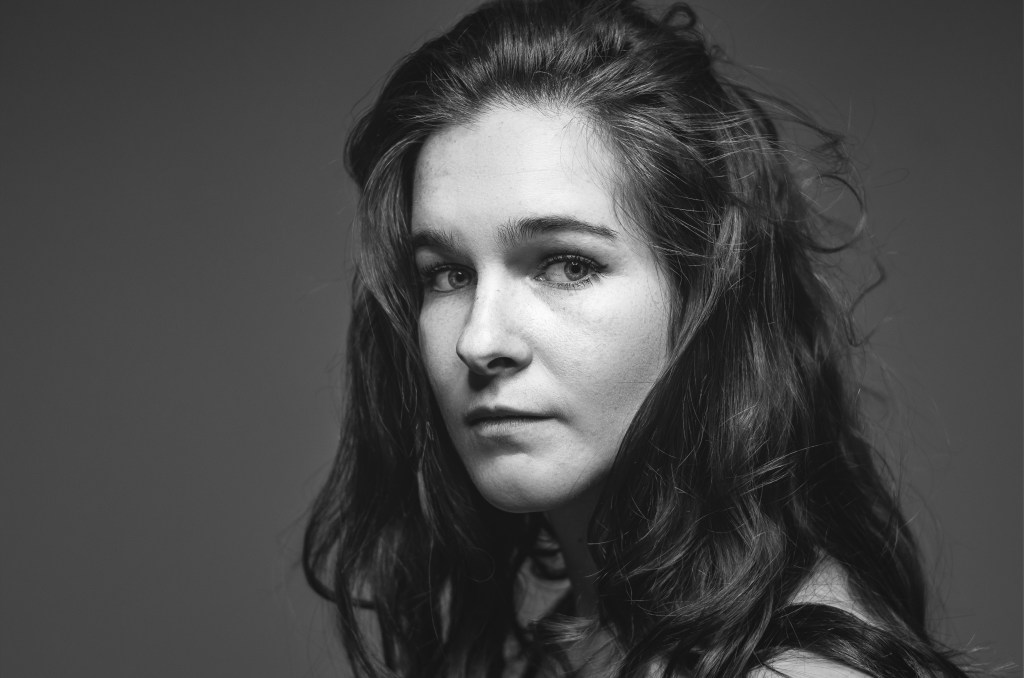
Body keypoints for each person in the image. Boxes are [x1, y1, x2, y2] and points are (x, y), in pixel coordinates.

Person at [303, 1, 972, 676]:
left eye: (567, 265)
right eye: (448, 274)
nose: (478, 342)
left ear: (705, 292)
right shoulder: (595, 643)